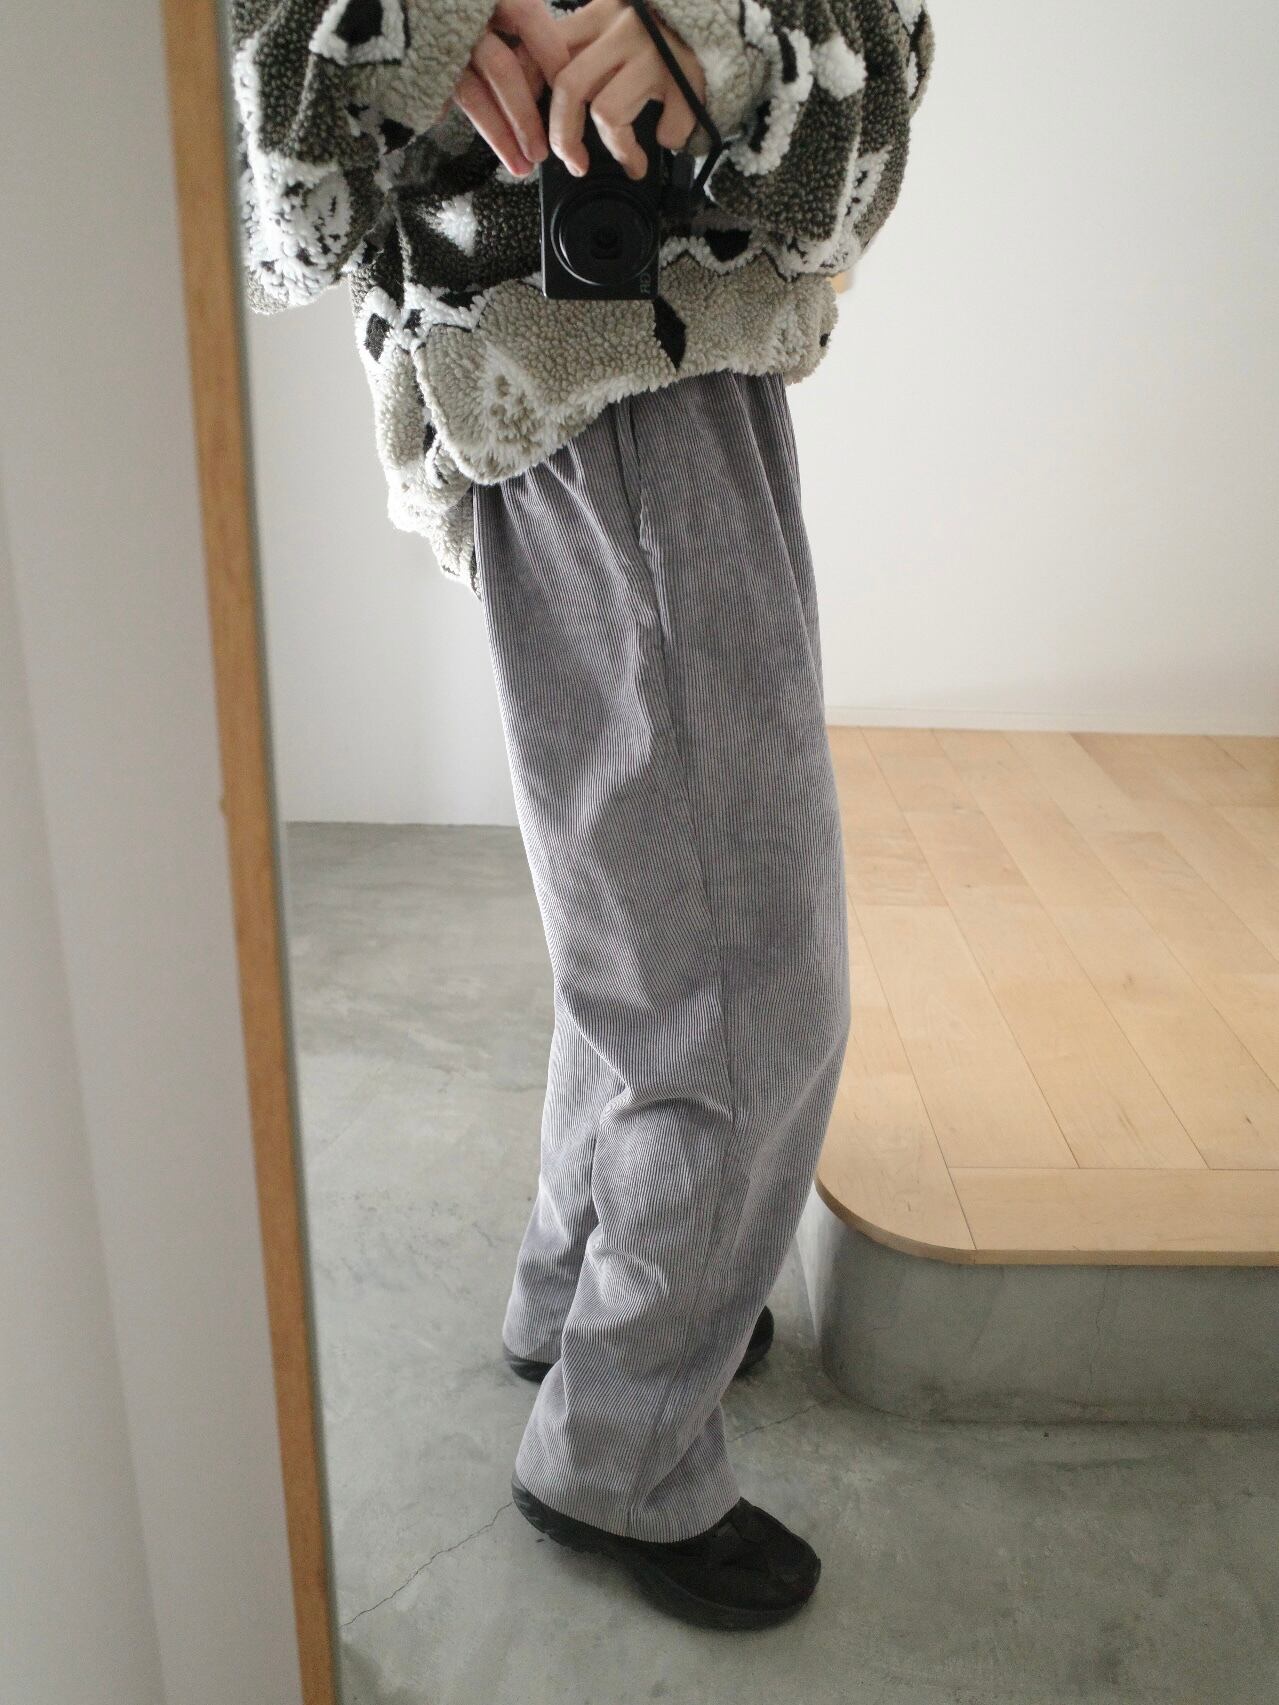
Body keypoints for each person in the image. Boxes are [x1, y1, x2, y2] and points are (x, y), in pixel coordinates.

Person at [231, 0, 933, 1631]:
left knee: (651, 926)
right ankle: (618, 1448)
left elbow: (882, 49)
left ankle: (585, 1301)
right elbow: (265, 156)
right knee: (752, 988)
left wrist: (717, 32)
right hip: (578, 347)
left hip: (662, 342)